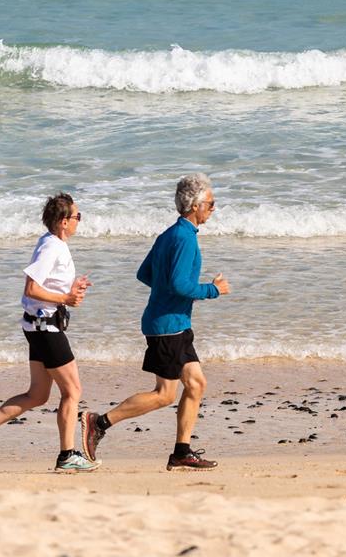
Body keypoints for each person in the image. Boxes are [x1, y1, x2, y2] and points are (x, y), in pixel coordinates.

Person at [78, 173, 230, 471]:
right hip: (167, 327)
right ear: (196, 205)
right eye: (211, 204)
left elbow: (145, 274)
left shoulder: (170, 234)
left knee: (196, 384)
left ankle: (181, 452)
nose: (214, 209)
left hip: (175, 323)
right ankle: (99, 423)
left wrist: (167, 294)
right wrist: (214, 290)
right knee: (164, 394)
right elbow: (180, 285)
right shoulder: (184, 238)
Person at [0, 192, 100, 473]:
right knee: (72, 391)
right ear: (63, 221)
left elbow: (45, 286)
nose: (79, 222)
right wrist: (66, 299)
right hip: (45, 328)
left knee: (37, 395)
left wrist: (71, 289)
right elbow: (31, 289)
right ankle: (67, 455)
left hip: (39, 325)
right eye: (77, 216)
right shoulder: (52, 247)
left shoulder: (53, 243)